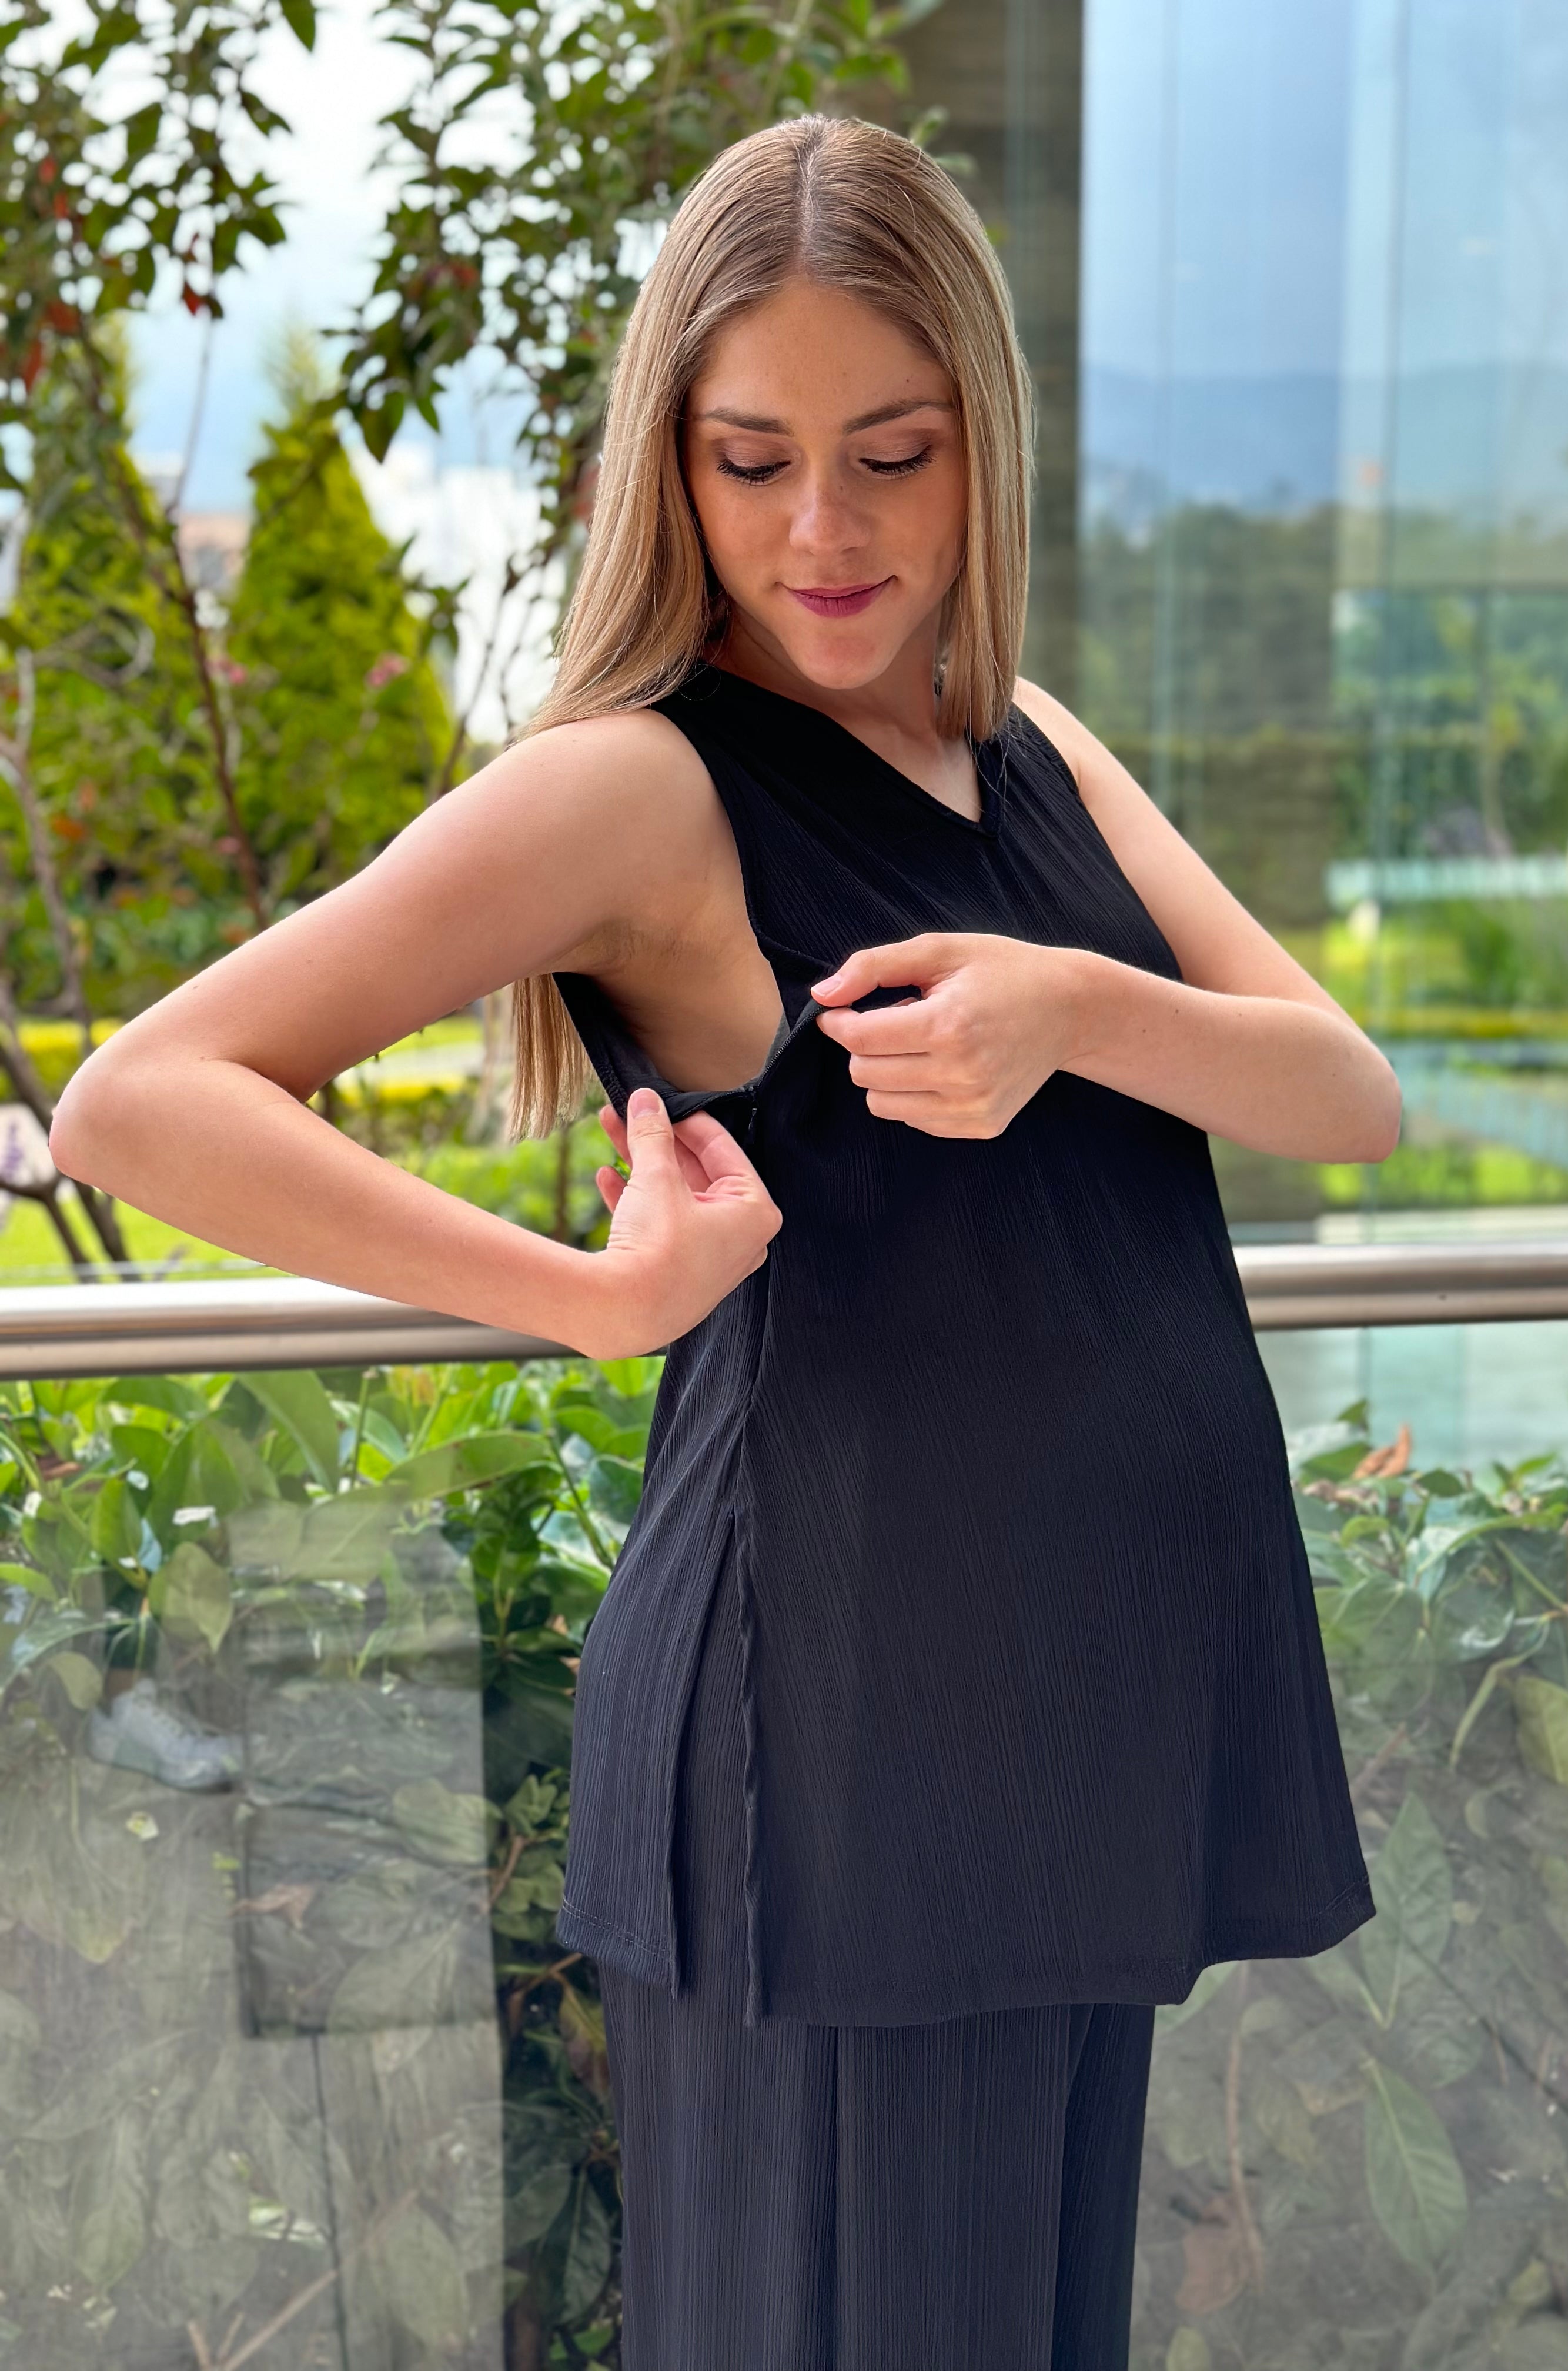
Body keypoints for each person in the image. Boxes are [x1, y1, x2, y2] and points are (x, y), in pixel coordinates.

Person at [51, 112, 1400, 2371]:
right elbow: (143, 1100)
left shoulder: (1028, 748)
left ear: (984, 446)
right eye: (752, 459)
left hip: (1094, 1712)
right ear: (668, 467)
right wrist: (594, 1304)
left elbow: (1344, 1095)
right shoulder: (644, 785)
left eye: (894, 454)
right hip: (856, 1747)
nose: (822, 531)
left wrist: (1073, 1009)